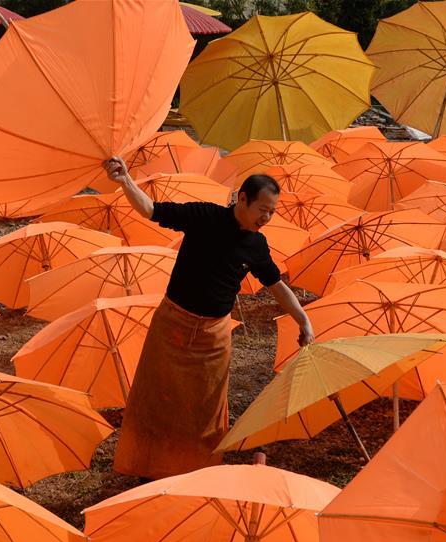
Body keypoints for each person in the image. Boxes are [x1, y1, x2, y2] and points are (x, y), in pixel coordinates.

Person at [103, 156, 314, 479]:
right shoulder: (205, 216)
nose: (267, 217)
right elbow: (151, 210)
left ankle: (198, 470)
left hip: (213, 337)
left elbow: (275, 284)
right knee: (156, 397)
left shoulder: (256, 245)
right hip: (172, 325)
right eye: (263, 209)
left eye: (272, 211)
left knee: (206, 409)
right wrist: (125, 181)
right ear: (243, 198)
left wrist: (303, 320)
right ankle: (146, 465)